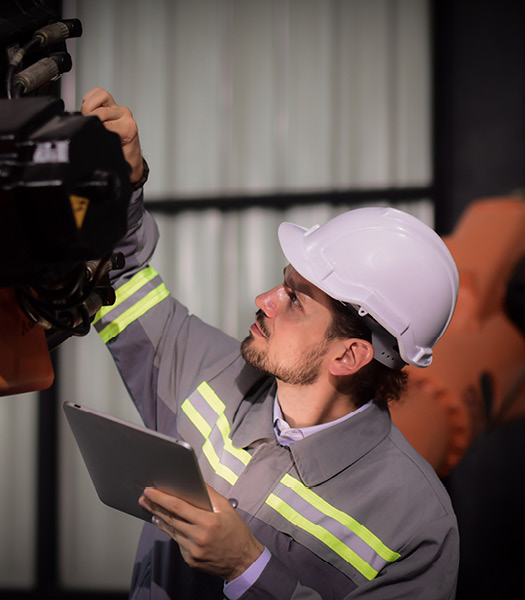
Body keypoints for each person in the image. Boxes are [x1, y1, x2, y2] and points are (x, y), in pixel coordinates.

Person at [80, 87, 460, 599]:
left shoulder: (416, 527)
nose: (264, 299)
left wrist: (248, 569)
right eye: (282, 282)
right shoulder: (212, 373)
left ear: (350, 354)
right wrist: (118, 185)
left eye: (296, 299)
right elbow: (118, 281)